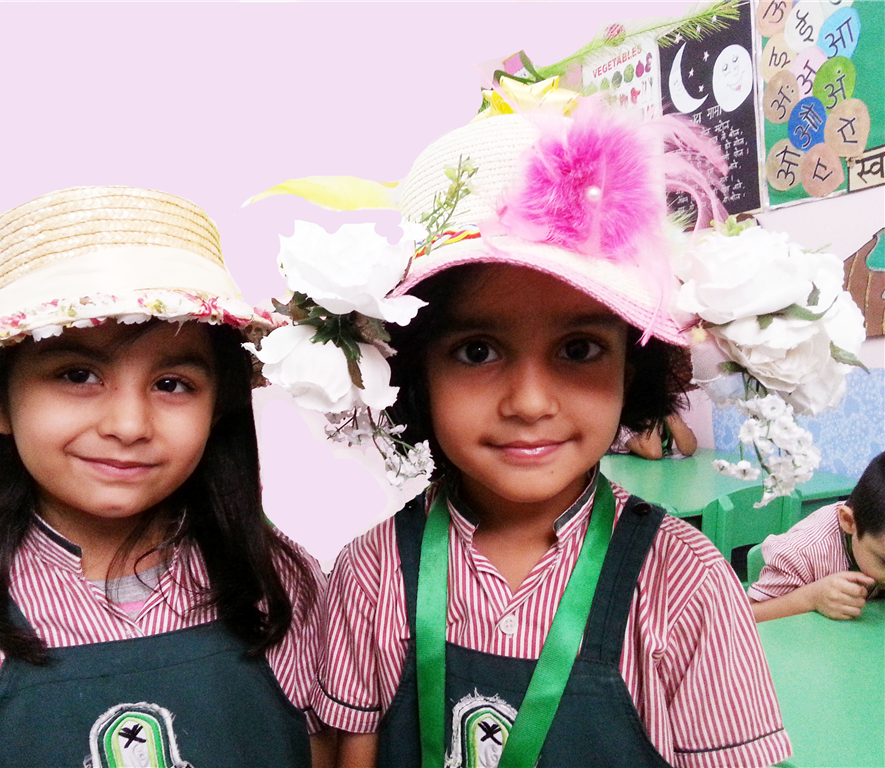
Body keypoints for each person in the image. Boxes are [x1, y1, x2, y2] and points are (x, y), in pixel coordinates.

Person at [274, 99, 793, 767]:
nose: (529, 402)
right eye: (477, 351)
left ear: (631, 368)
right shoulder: (371, 574)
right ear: (415, 369)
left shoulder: (685, 586)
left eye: (578, 350)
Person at [0, 187, 330, 768]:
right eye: (78, 375)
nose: (129, 426)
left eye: (172, 384)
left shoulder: (282, 587)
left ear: (218, 406)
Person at [749, 452, 885, 622]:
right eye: (883, 561)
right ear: (849, 522)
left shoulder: (873, 535)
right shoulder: (800, 554)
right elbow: (747, 615)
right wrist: (811, 598)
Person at [613, 411, 698, 460]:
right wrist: (651, 409)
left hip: (658, 470)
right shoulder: (620, 414)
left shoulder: (671, 401)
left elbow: (689, 448)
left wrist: (668, 408)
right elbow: (653, 453)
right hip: (626, 474)